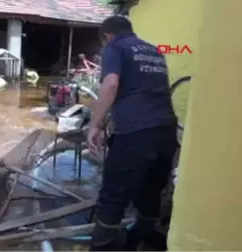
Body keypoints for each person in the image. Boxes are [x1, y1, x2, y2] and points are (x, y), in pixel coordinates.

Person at [87, 16, 179, 251]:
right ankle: (142, 241)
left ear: (108, 36)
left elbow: (110, 85)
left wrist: (95, 125)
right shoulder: (154, 51)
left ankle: (103, 246)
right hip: (167, 131)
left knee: (113, 194)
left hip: (136, 133)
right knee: (151, 191)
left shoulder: (115, 48)